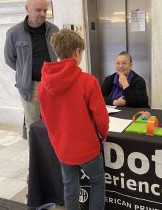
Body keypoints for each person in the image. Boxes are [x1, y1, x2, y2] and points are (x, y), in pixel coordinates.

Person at [38, 29, 109, 210]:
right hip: (87, 148)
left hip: (62, 148)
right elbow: (101, 117)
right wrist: (103, 134)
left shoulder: (43, 85)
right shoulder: (88, 81)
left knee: (70, 187)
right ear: (77, 52)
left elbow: (46, 118)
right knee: (97, 183)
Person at [4, 0, 59, 139]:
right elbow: (9, 59)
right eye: (38, 10)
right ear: (27, 9)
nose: (42, 14)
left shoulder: (54, 30)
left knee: (53, 122)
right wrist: (25, 72)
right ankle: (37, 159)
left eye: (45, 11)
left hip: (52, 85)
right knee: (33, 125)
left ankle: (53, 156)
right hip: (30, 86)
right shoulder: (14, 33)